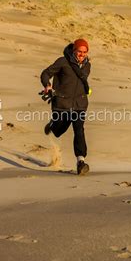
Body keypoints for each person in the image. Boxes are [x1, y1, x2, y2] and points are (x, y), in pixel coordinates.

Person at [40, 39, 91, 175]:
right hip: (62, 104)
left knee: (79, 129)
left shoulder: (87, 66)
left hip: (80, 104)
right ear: (74, 50)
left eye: (84, 52)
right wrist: (47, 85)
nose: (81, 54)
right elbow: (45, 73)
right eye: (79, 51)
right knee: (59, 131)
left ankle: (81, 161)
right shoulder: (63, 62)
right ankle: (52, 125)